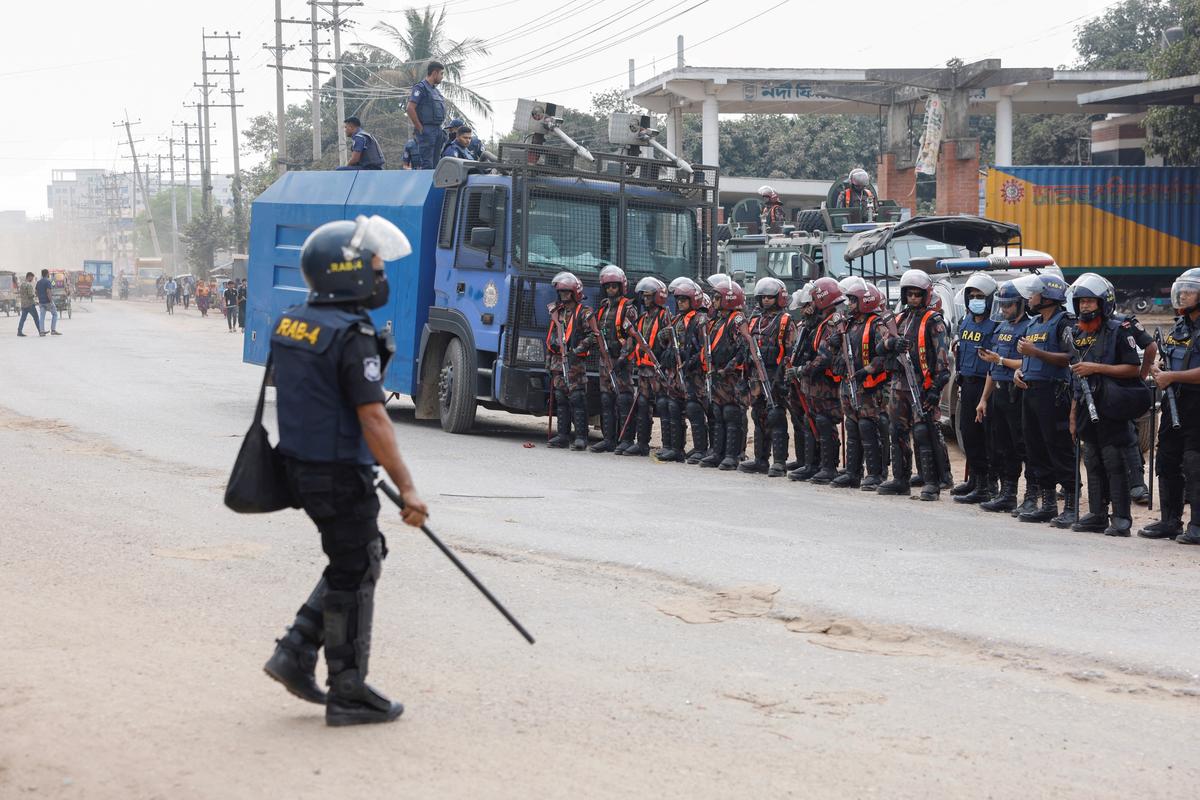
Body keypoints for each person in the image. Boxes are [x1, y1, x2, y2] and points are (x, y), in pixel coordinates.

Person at [261, 214, 428, 726]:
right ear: (346, 272)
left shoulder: (293, 320)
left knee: (356, 557)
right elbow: (374, 417)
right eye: (375, 269)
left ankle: (294, 652)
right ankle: (348, 690)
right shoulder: (351, 333)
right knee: (356, 568)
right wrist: (408, 488)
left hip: (303, 467)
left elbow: (315, 398)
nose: (381, 279)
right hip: (337, 473)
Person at [1065, 273, 1144, 537]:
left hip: (1112, 404)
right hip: (1086, 405)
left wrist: (1096, 368)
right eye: (1081, 302)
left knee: (1114, 460)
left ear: (1103, 303)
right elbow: (1076, 378)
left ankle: (1121, 518)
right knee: (1092, 459)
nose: (1085, 306)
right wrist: (1073, 415)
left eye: (1090, 301)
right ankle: (1097, 514)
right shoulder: (1076, 333)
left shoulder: (1119, 330)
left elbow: (1133, 368)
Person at [879, 270, 950, 501]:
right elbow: (881, 347)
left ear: (925, 295)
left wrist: (935, 389)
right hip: (899, 385)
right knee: (896, 431)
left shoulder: (933, 320)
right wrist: (892, 342)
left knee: (923, 433)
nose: (912, 298)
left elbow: (941, 357)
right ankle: (900, 479)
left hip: (922, 385)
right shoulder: (898, 319)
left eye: (917, 294)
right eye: (909, 294)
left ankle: (931, 483)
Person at [1012, 273, 1076, 526]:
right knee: (1035, 447)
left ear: (1048, 297)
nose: (1030, 297)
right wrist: (1019, 371)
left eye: (1035, 293)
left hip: (1054, 393)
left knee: (1058, 447)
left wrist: (1034, 351)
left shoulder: (1064, 322)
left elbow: (1069, 357)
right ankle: (1048, 504)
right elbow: (1029, 358)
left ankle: (1071, 504)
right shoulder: (1034, 323)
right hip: (1030, 391)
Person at [1146, 268, 1200, 544]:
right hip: (1173, 399)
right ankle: (1170, 521)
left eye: (1190, 291)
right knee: (1167, 458)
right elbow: (1171, 360)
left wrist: (1172, 376)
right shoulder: (1178, 326)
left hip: (1196, 402)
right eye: (1184, 290)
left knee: (1194, 462)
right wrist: (1159, 369)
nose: (1184, 295)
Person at [976, 280, 1034, 515]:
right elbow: (992, 369)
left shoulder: (1029, 328)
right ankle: (1007, 494)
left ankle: (1032, 495)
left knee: (1024, 446)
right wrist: (983, 400)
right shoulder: (1001, 329)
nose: (1004, 310)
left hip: (1018, 394)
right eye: (1002, 305)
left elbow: (1027, 362)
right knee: (1002, 446)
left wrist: (999, 360)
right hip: (999, 393)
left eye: (1009, 305)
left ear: (1021, 304)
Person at [835, 279, 892, 491]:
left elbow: (884, 356)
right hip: (850, 385)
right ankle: (852, 472)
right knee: (852, 425)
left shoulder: (877, 324)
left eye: (853, 300)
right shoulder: (849, 324)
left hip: (870, 386)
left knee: (869, 427)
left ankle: (876, 473)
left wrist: (865, 371)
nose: (849, 305)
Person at [790, 277, 846, 484]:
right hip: (812, 384)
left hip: (826, 385)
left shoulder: (832, 322)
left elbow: (825, 357)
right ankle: (812, 465)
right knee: (809, 420)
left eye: (811, 302)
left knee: (824, 422)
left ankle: (828, 467)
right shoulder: (815, 324)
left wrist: (801, 370)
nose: (807, 308)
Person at [951, 274, 1000, 504]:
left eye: (980, 296)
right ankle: (974, 479)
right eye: (972, 296)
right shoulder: (966, 321)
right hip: (967, 383)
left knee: (986, 438)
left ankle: (987, 485)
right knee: (967, 434)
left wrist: (985, 397)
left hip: (986, 386)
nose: (975, 300)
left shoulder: (996, 325)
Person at [739, 277, 795, 477]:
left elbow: (790, 351)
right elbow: (747, 348)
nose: (766, 301)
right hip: (756, 376)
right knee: (758, 415)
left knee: (776, 417)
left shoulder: (786, 320)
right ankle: (760, 460)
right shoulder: (754, 321)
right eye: (763, 298)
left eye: (770, 298)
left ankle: (779, 462)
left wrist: (782, 377)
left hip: (775, 374)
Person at [701, 279, 751, 470]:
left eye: (717, 298)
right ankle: (717, 452)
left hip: (732, 376)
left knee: (731, 413)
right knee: (718, 413)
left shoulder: (737, 320)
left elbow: (744, 347)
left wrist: (730, 366)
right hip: (717, 374)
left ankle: (732, 455)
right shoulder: (718, 321)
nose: (713, 301)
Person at [619, 277, 671, 458]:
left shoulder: (665, 316)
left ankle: (668, 445)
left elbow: (673, 344)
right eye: (644, 297)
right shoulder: (642, 318)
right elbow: (632, 342)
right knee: (642, 404)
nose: (645, 300)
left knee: (664, 404)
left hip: (658, 369)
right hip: (643, 369)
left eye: (649, 297)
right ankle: (642, 444)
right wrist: (623, 358)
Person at [545, 271, 596, 451]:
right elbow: (551, 336)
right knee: (560, 398)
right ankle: (563, 435)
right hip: (558, 362)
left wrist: (577, 350)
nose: (564, 295)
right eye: (561, 292)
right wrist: (548, 361)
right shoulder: (557, 312)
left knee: (577, 398)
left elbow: (593, 336)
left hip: (575, 362)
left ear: (575, 293)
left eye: (567, 292)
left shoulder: (584, 312)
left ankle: (581, 437)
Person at [592, 266, 638, 454]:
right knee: (606, 399)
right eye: (608, 286)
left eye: (614, 286)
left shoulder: (628, 308)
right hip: (606, 360)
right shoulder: (603, 308)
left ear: (621, 287)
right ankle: (608, 439)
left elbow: (632, 336)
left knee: (624, 399)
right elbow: (597, 332)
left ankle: (626, 439)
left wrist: (622, 357)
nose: (611, 289)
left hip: (621, 361)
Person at [784, 285, 821, 479]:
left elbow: (821, 357)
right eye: (802, 307)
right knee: (799, 420)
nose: (804, 311)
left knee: (815, 421)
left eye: (807, 305)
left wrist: (800, 370)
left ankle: (816, 464)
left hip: (817, 383)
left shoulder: (823, 326)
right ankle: (803, 460)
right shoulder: (803, 327)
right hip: (799, 381)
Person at [406, 61, 447, 169]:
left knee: (436, 165)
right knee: (427, 164)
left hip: (437, 130)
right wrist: (419, 127)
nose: (442, 77)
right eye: (441, 74)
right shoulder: (420, 88)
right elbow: (410, 108)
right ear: (434, 73)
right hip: (427, 129)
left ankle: (434, 186)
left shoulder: (436, 91)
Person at [17, 271, 44, 337]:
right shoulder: (28, 285)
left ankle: (19, 332)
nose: (32, 279)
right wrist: (34, 295)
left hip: (23, 304)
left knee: (22, 319)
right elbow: (30, 295)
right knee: (36, 318)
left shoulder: (22, 284)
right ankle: (41, 331)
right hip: (30, 305)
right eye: (32, 277)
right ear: (29, 277)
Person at [36, 269, 61, 335]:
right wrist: (51, 301)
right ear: (47, 274)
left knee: (42, 317)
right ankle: (53, 330)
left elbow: (36, 292)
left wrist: (40, 299)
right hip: (48, 302)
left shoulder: (38, 282)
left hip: (41, 302)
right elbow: (48, 292)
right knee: (55, 314)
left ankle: (41, 331)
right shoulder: (48, 282)